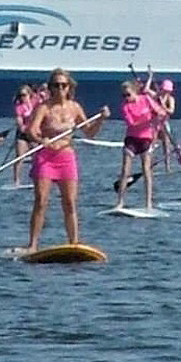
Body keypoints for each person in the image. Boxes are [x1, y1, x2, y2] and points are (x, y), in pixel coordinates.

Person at [22, 68, 109, 252]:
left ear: (69, 87)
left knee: (69, 201)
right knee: (41, 200)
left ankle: (74, 242)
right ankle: (33, 245)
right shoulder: (43, 108)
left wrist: (101, 119)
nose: (59, 89)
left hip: (66, 156)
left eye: (63, 85)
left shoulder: (75, 108)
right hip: (46, 157)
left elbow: (89, 132)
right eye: (55, 85)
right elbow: (31, 130)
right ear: (51, 87)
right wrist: (41, 140)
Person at [114, 80, 166, 210]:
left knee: (146, 170)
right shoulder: (125, 107)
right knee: (125, 170)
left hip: (146, 139)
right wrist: (148, 120)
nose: (126, 98)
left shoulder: (146, 99)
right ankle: (120, 201)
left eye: (128, 95)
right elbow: (132, 123)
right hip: (132, 139)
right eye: (124, 96)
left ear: (134, 92)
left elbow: (160, 112)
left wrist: (159, 115)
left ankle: (148, 203)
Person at [12, 85, 37, 187]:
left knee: (36, 157)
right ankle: (16, 181)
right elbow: (20, 123)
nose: (23, 98)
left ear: (29, 94)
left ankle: (36, 177)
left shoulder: (35, 102)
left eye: (25, 95)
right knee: (20, 157)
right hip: (22, 134)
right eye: (21, 95)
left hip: (34, 133)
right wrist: (23, 127)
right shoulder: (19, 107)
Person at [157, 79, 177, 173]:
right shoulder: (157, 97)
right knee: (150, 146)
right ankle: (149, 166)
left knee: (167, 145)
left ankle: (167, 166)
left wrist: (164, 107)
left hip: (164, 123)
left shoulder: (170, 99)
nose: (166, 92)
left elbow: (171, 111)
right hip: (154, 124)